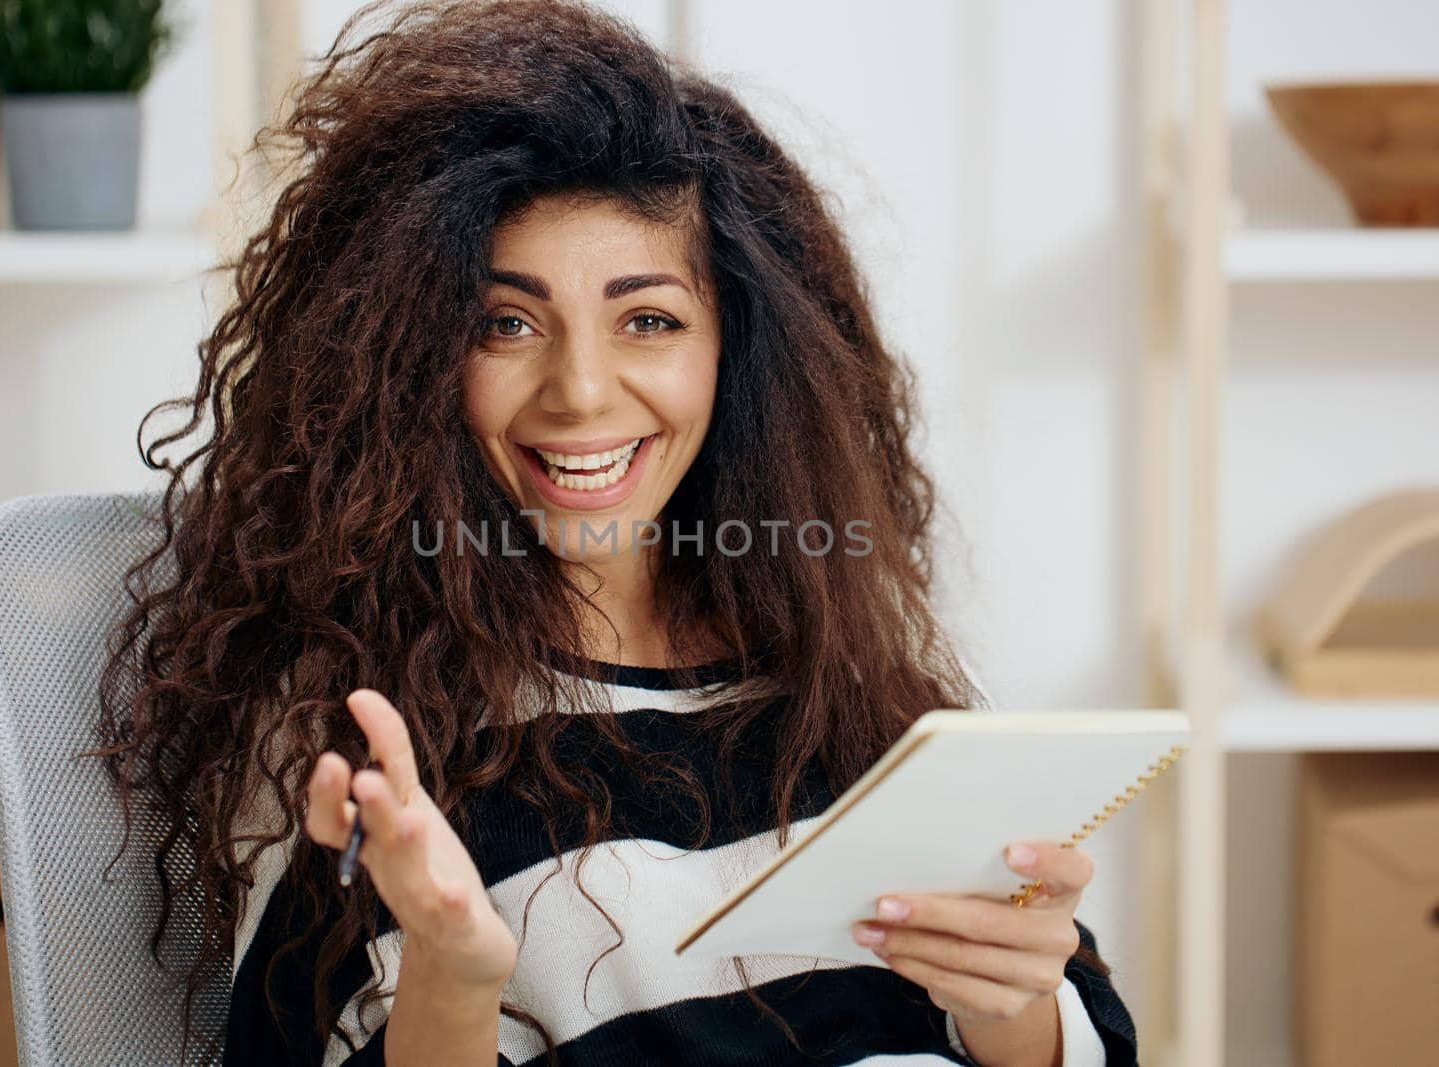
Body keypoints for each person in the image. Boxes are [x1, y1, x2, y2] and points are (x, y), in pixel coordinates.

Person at [97, 1, 1139, 1064]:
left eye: (648, 319)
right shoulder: (366, 735)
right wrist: (455, 970)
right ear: (409, 357)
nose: (581, 391)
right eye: (505, 323)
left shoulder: (835, 666)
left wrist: (1010, 999)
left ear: (738, 351)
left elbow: (1072, 1031)